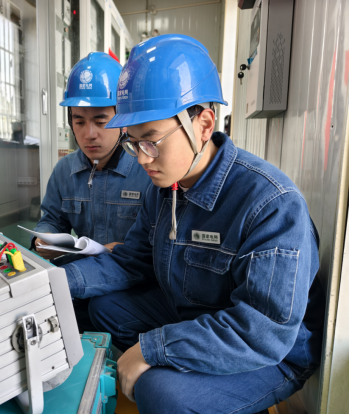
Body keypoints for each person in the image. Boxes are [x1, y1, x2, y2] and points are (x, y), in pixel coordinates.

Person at [59, 35, 325, 413]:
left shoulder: (271, 204)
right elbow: (131, 261)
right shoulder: (164, 189)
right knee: (105, 307)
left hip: (269, 352)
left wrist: (152, 350)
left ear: (203, 124)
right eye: (133, 143)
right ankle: (191, 373)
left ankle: (190, 386)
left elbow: (262, 331)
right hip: (193, 314)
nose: (142, 159)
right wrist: (54, 282)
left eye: (151, 141)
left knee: (159, 391)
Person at [32, 52, 151, 265]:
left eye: (100, 122)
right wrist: (43, 239)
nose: (89, 134)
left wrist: (128, 250)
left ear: (123, 120)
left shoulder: (147, 170)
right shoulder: (64, 170)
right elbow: (52, 220)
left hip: (132, 274)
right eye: (79, 122)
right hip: (84, 269)